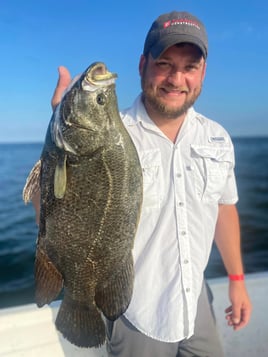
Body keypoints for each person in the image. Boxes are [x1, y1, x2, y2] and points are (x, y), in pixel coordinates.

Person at [38, 10, 252, 357]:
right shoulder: (111, 135)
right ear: (142, 65)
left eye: (189, 67)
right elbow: (49, 214)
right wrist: (59, 140)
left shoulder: (217, 138)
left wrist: (237, 280)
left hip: (196, 299)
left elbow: (223, 207)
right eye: (165, 63)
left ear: (203, 73)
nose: (176, 78)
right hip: (136, 308)